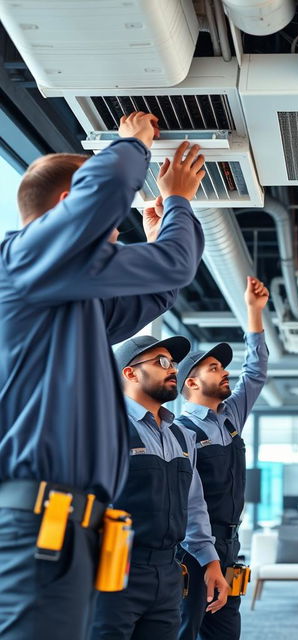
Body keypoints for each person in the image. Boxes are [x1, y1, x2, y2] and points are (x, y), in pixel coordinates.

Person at [0, 111, 206, 640]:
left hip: (73, 528)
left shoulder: (74, 299)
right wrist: (132, 144)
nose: (116, 234)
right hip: (39, 524)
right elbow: (108, 189)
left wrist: (165, 232)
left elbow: (164, 281)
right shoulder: (19, 262)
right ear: (69, 207)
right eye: (110, 226)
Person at [91, 335, 228, 639]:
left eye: (173, 364)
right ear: (130, 373)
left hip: (168, 573)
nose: (173, 370)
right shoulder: (105, 426)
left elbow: (193, 505)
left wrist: (211, 561)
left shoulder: (181, 436)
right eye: (161, 362)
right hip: (115, 571)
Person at [175, 276, 269, 640]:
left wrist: (253, 313)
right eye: (214, 368)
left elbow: (256, 372)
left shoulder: (229, 418)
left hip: (230, 544)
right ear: (191, 383)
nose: (224, 371)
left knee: (225, 630)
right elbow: (187, 502)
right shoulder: (180, 432)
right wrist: (205, 551)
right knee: (187, 628)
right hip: (193, 547)